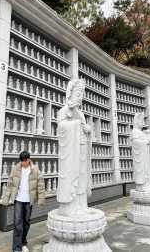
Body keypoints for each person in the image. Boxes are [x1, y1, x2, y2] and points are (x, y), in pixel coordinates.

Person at [56, 79, 92, 216]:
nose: (80, 98)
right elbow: (60, 128)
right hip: (71, 152)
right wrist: (76, 125)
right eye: (77, 94)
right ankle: (70, 206)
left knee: (82, 177)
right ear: (69, 95)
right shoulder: (63, 111)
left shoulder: (81, 113)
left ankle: (81, 204)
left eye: (81, 95)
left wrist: (87, 129)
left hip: (82, 149)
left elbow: (84, 128)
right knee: (72, 176)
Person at [1, 151, 45, 252]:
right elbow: (10, 185)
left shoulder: (35, 170)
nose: (23, 163)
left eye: (24, 161)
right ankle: (16, 248)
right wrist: (5, 199)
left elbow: (41, 185)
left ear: (29, 160)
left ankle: (23, 243)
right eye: (21, 161)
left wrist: (41, 199)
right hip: (18, 199)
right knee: (17, 223)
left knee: (26, 222)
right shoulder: (16, 169)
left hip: (28, 200)